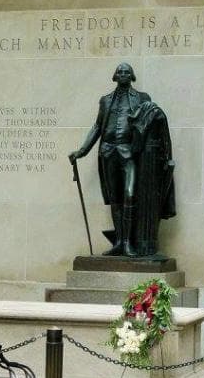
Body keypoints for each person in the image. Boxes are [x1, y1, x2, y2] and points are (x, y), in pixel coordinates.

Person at [69, 63, 175, 258]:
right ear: (115, 76)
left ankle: (128, 243)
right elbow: (97, 127)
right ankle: (119, 242)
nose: (123, 74)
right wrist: (82, 151)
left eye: (127, 71)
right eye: (120, 71)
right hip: (108, 151)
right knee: (115, 198)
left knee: (129, 193)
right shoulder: (105, 100)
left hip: (129, 152)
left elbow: (151, 122)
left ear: (132, 76)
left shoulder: (142, 98)